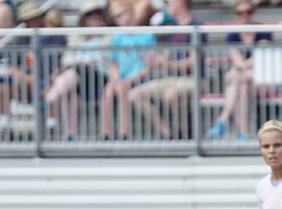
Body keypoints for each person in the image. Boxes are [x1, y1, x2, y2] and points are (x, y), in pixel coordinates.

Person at [128, 0, 202, 140]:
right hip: (171, 79)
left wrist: (164, 64)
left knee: (171, 95)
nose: (167, 5)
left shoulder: (196, 26)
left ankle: (184, 132)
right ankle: (167, 133)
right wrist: (153, 61)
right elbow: (166, 57)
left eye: (169, 2)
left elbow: (193, 62)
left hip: (193, 78)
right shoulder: (172, 28)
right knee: (134, 95)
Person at [0, 1, 65, 141]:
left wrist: (50, 78)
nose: (32, 22)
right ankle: (5, 128)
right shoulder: (21, 38)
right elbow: (12, 64)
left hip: (47, 82)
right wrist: (21, 76)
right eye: (28, 19)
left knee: (53, 86)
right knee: (3, 86)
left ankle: (51, 129)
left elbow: (60, 64)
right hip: (26, 84)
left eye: (34, 17)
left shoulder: (54, 36)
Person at [206, 0, 270, 141]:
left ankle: (223, 120)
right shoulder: (233, 36)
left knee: (233, 76)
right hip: (246, 79)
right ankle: (242, 133)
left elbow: (260, 58)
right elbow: (240, 61)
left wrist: (241, 68)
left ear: (253, 13)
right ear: (236, 14)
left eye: (248, 12)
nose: (245, 15)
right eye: (241, 12)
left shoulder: (263, 31)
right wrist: (245, 66)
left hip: (262, 78)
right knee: (241, 87)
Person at [45, 1, 109, 142]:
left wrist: (87, 63)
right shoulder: (77, 37)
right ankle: (70, 136)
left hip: (99, 76)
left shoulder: (107, 36)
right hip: (80, 77)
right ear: (84, 19)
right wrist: (81, 63)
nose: (95, 17)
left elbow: (109, 61)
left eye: (97, 14)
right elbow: (67, 60)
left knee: (75, 72)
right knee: (70, 94)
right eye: (90, 15)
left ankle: (50, 96)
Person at [100, 0, 155, 141]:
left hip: (140, 77)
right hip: (122, 79)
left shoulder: (147, 35)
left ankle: (124, 133)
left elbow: (149, 66)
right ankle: (105, 133)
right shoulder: (117, 38)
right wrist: (115, 77)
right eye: (115, 18)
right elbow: (114, 64)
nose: (118, 20)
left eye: (120, 15)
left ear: (130, 13)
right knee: (108, 91)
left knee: (123, 88)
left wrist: (131, 79)